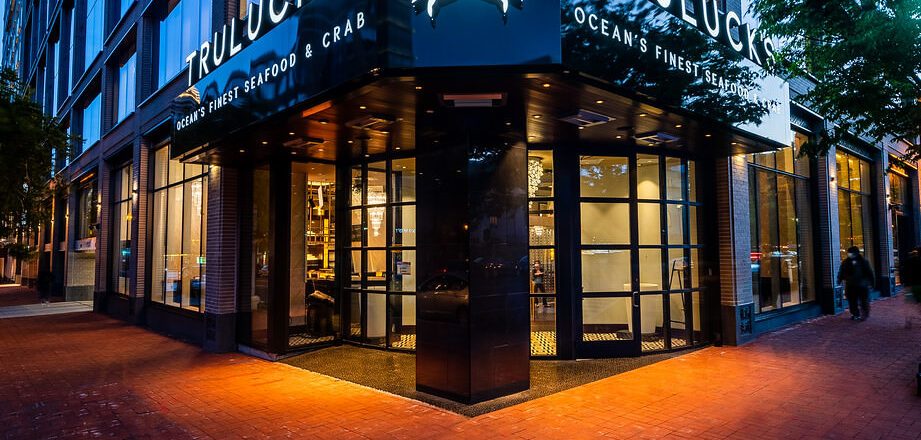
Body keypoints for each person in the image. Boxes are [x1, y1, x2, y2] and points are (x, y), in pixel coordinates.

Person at [837, 246, 874, 321]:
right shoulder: (846, 262)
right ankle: (855, 314)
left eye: (851, 253)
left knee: (863, 301)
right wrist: (839, 279)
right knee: (852, 301)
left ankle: (864, 314)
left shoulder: (863, 262)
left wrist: (872, 283)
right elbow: (841, 271)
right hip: (851, 285)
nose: (849, 254)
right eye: (849, 253)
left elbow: (869, 273)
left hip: (862, 285)